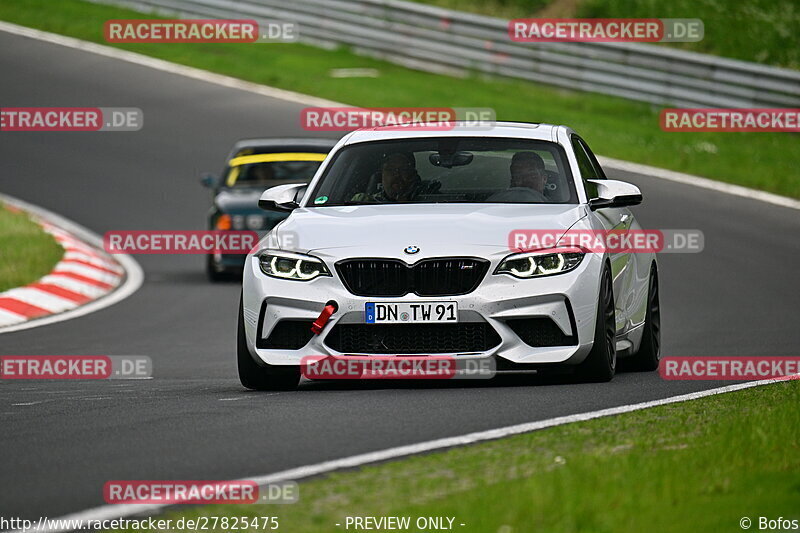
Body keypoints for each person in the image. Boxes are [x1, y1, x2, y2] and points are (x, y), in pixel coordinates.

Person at [351, 152, 425, 202]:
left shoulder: (429, 201)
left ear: (413, 174)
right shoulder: (363, 202)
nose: (397, 174)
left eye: (403, 169)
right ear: (381, 175)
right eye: (390, 169)